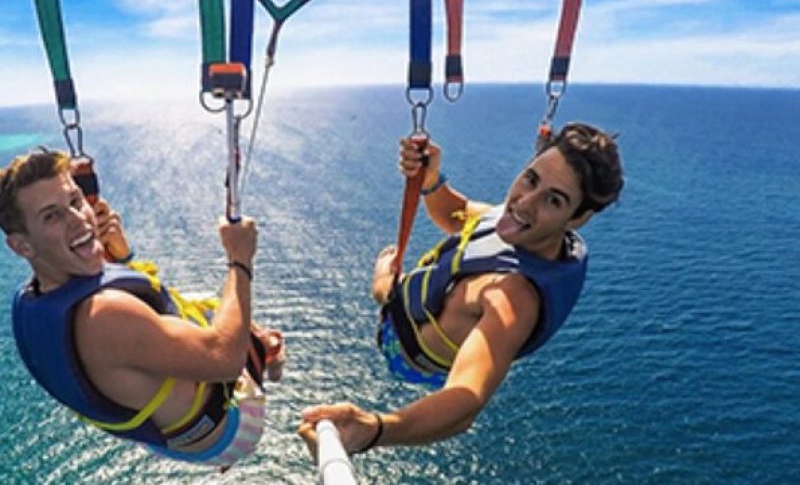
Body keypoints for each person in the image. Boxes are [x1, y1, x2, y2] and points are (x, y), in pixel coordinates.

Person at [298, 122, 623, 454]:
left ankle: (383, 288)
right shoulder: (511, 221)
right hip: (425, 310)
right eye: (531, 178)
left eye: (553, 200)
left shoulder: (512, 299)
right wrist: (431, 180)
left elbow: (466, 399)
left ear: (578, 219)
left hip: (405, 348)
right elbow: (458, 216)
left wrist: (377, 429)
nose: (524, 203)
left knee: (385, 286)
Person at [1, 148, 285, 469]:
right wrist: (240, 258)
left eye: (75, 200)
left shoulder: (33, 296)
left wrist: (122, 261)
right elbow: (226, 359)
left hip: (165, 436)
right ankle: (270, 358)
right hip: (229, 431)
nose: (79, 218)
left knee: (201, 305)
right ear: (21, 245)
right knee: (256, 333)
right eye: (51, 215)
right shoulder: (104, 319)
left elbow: (125, 327)